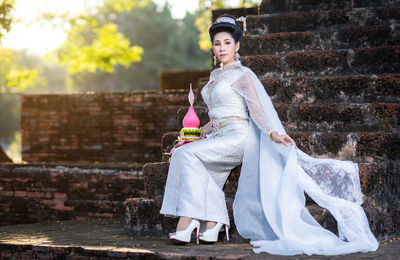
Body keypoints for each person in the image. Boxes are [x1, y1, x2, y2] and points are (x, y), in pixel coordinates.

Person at [160, 14, 379, 255]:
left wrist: (273, 133)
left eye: (227, 43)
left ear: (237, 46)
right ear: (212, 47)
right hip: (218, 134)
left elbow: (256, 109)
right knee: (184, 152)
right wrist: (194, 133)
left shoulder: (244, 75)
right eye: (217, 43)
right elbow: (214, 119)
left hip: (238, 137)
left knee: (187, 157)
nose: (222, 48)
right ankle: (213, 224)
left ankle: (188, 219)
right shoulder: (213, 77)